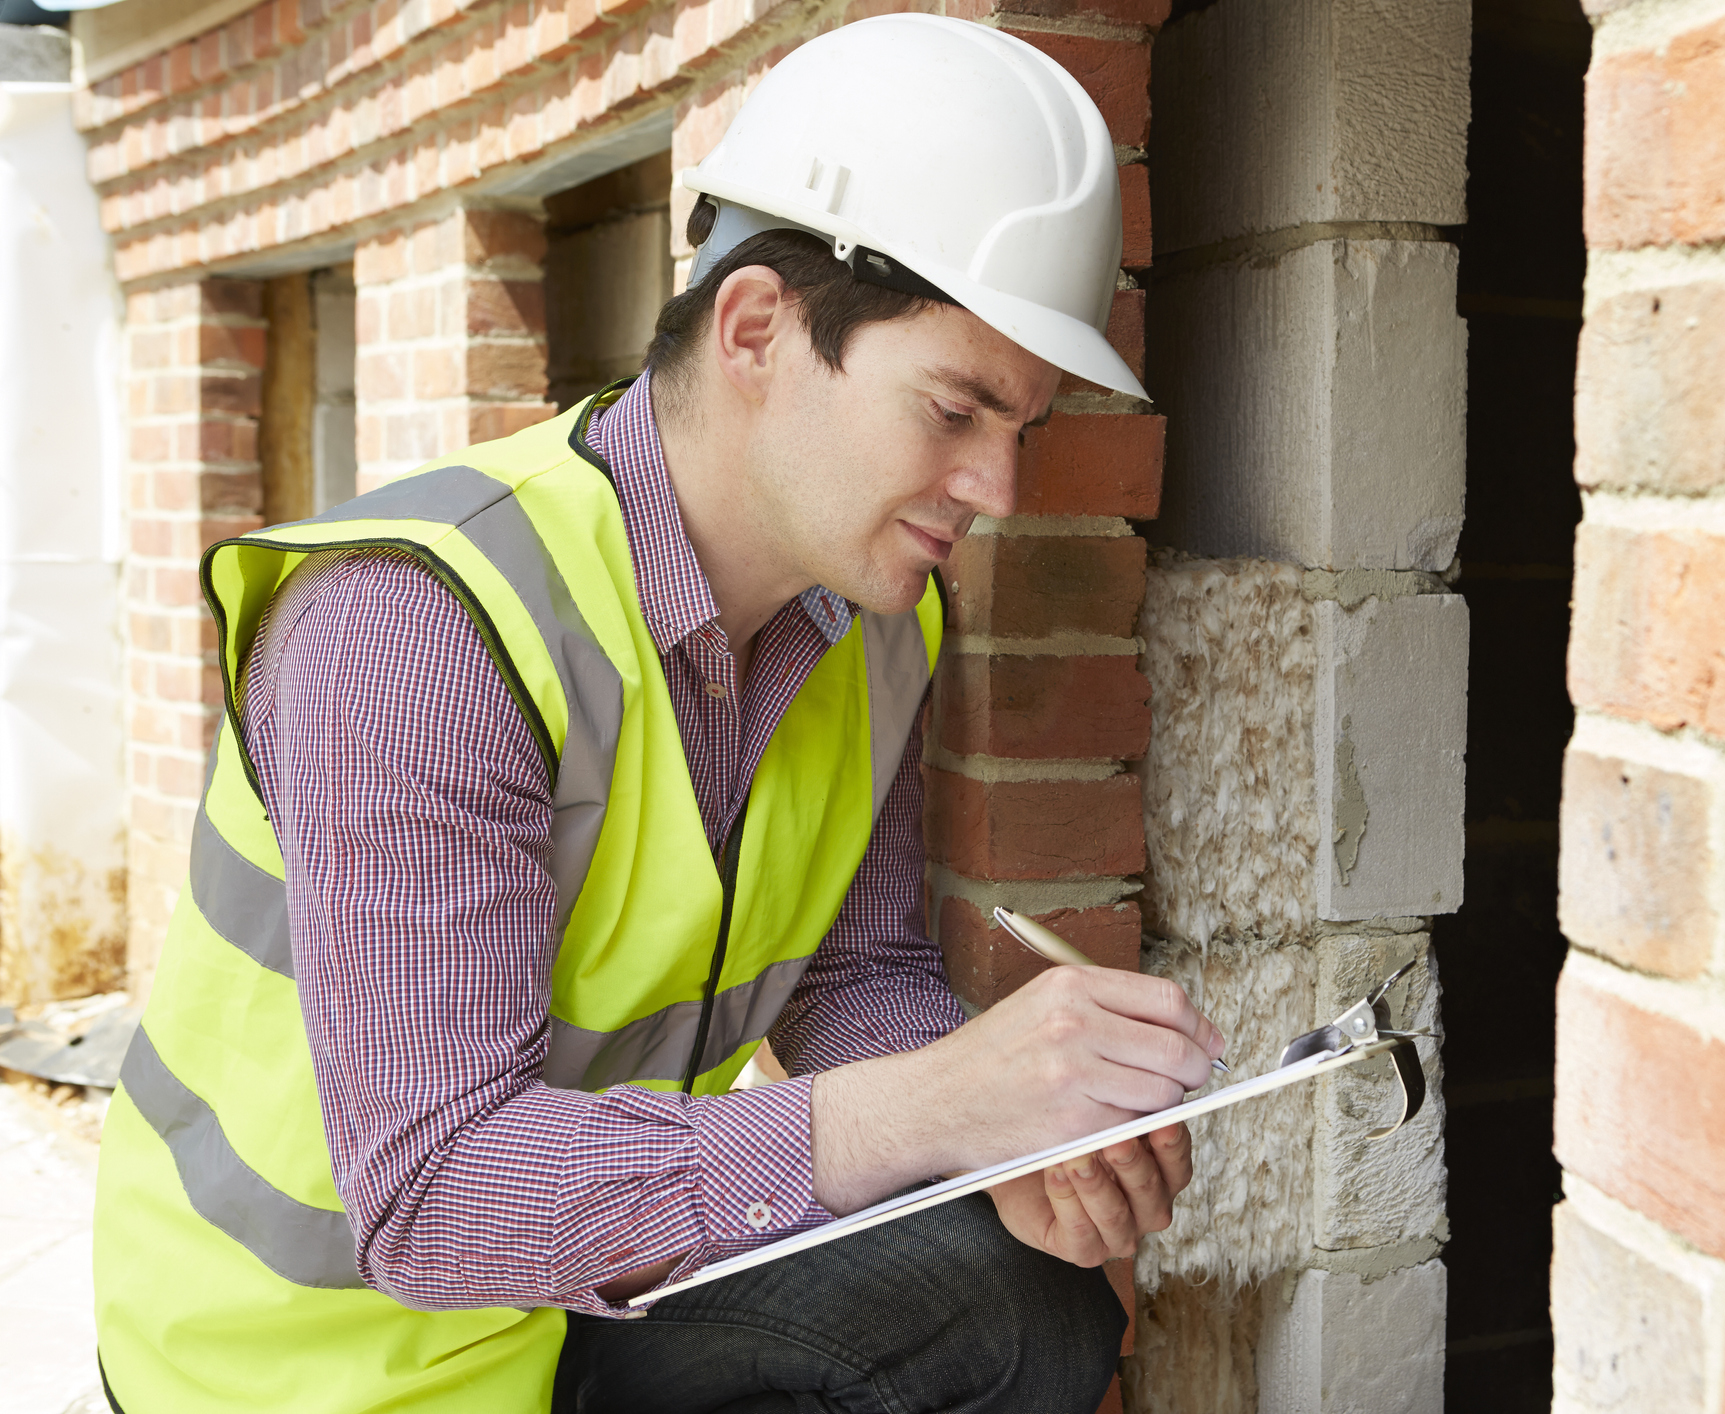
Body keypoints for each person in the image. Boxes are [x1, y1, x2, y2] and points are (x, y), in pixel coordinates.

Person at [92, 16, 1223, 1414]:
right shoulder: (418, 629)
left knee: (1015, 1298)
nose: (995, 487)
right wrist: (927, 1110)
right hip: (292, 1368)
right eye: (953, 409)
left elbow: (845, 975)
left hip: (575, 1306)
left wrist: (1002, 1147)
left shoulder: (876, 625)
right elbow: (438, 1199)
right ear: (755, 326)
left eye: (1022, 428)